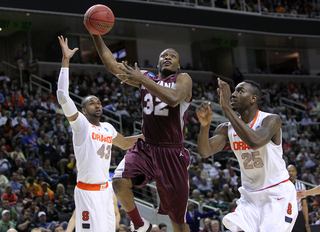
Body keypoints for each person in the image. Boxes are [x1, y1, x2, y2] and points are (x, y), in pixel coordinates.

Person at [91, 28, 192, 232]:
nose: (167, 58)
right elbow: (112, 65)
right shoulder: (146, 76)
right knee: (118, 183)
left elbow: (173, 99)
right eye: (164, 55)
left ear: (178, 64)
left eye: (172, 56)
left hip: (172, 152)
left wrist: (144, 80)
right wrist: (95, 34)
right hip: (147, 147)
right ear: (157, 62)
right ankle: (140, 224)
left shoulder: (183, 78)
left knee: (178, 220)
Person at [56, 35, 143, 232]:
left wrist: (146, 135)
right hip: (87, 193)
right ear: (84, 110)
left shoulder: (108, 128)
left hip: (106, 192)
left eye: (99, 102)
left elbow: (126, 144)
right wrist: (66, 61)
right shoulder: (81, 125)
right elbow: (62, 96)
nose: (97, 104)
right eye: (91, 102)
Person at [196, 78, 298, 232]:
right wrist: (204, 126)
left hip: (276, 193)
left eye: (240, 91)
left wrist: (226, 109)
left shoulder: (271, 120)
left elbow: (255, 141)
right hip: (250, 196)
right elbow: (205, 152)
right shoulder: (227, 128)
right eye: (234, 91)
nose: (233, 95)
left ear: (253, 99)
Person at [287, 165, 310, 232]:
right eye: (289, 171)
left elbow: (304, 205)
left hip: (298, 214)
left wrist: (307, 222)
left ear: (296, 172)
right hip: (286, 214)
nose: (290, 173)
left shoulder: (301, 186)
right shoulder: (282, 186)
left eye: (292, 171)